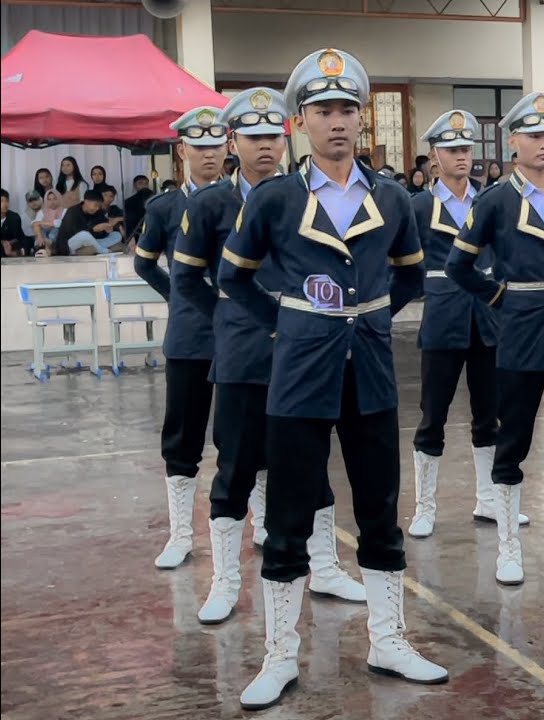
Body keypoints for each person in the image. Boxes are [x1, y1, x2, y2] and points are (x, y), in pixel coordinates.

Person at [220, 48, 446, 710]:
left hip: (371, 371)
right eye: (324, 111)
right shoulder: (274, 199)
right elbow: (235, 278)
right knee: (289, 513)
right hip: (297, 375)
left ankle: (388, 639)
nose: (338, 122)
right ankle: (280, 654)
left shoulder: (393, 197)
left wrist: (370, 319)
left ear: (361, 118)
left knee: (379, 508)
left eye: (348, 109)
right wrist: (287, 322)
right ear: (300, 122)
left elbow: (409, 273)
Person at [171, 87, 366, 626]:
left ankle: (324, 567)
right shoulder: (212, 201)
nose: (265, 147)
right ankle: (226, 581)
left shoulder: (304, 193)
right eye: (253, 137)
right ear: (234, 140)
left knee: (314, 470)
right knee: (234, 468)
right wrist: (227, 319)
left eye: (272, 136)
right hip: (242, 353)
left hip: (305, 354)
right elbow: (186, 277)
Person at [446, 91, 544, 584]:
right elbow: (458, 265)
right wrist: (498, 299)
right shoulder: (496, 200)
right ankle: (508, 545)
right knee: (514, 438)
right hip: (522, 330)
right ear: (513, 141)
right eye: (535, 135)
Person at [407, 109, 525, 538]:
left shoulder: (488, 199)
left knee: (488, 415)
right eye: (452, 149)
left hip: (487, 318)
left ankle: (489, 498)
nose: (462, 156)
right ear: (434, 156)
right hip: (443, 318)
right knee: (432, 414)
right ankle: (425, 506)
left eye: (466, 148)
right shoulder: (419, 205)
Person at [135, 104, 228, 570]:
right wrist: (179, 296)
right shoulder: (166, 207)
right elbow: (144, 261)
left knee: (246, 437)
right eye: (200, 145)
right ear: (182, 150)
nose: (208, 154)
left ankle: (263, 526)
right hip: (191, 336)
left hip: (239, 336)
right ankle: (180, 535)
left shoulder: (249, 202)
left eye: (216, 144)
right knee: (183, 437)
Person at [56, 188, 121, 255]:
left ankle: (95, 248)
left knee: (116, 235)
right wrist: (94, 229)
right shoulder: (73, 212)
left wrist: (107, 229)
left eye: (99, 206)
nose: (97, 208)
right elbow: (77, 234)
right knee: (84, 235)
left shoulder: (98, 212)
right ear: (86, 201)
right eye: (95, 205)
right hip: (69, 245)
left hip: (91, 242)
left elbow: (102, 229)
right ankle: (102, 250)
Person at [32, 189, 64, 254]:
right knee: (40, 231)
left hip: (58, 236)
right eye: (49, 199)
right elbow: (34, 224)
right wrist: (39, 236)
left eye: (55, 199)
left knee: (55, 229)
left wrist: (41, 223)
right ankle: (44, 246)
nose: (52, 202)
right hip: (45, 235)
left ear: (59, 199)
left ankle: (48, 245)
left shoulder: (64, 210)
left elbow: (59, 223)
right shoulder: (42, 212)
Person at [124, 175, 154, 243]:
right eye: (140, 183)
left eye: (146, 184)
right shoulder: (129, 202)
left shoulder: (155, 198)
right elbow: (129, 222)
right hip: (138, 232)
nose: (144, 186)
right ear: (135, 186)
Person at [0, 190, 26, 257]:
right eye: (1, 201)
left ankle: (11, 253)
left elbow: (17, 236)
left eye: (7, 201)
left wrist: (8, 243)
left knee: (26, 243)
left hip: (12, 243)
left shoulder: (14, 217)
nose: (5, 204)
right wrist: (3, 243)